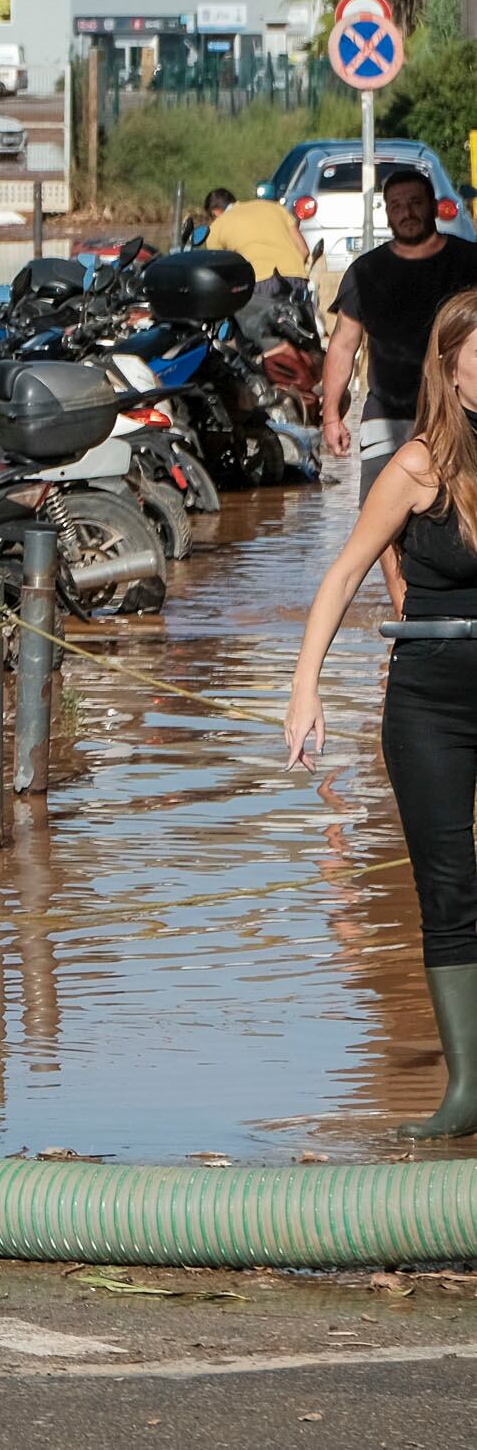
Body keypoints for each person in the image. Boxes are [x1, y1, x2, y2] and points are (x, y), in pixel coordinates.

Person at [288, 287, 477, 1139]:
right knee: (447, 888)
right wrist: (304, 686)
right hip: (430, 695)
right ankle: (467, 1091)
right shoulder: (416, 466)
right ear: (449, 367)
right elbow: (343, 576)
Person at [324, 167, 477, 476]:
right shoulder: (365, 272)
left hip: (462, 415)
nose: (406, 212)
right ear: (387, 215)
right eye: (396, 206)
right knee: (380, 519)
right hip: (387, 418)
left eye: (415, 202)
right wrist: (331, 416)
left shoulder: (470, 262)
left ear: (434, 206)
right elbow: (342, 346)